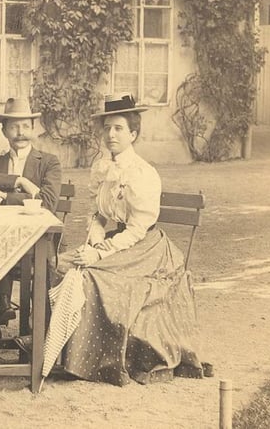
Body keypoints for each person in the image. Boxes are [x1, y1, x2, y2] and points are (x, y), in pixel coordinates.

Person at [50, 93, 206, 386]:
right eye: (107, 128)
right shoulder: (101, 167)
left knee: (92, 275)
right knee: (61, 263)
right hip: (115, 238)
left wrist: (99, 254)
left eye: (119, 128)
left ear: (133, 134)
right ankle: (55, 346)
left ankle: (91, 359)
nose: (111, 134)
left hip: (146, 246)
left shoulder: (143, 173)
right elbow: (96, 212)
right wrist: (95, 238)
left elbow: (136, 229)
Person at [0, 97, 62, 344]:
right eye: (14, 127)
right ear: (4, 131)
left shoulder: (49, 162)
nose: (20, 133)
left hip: (36, 244)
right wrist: (19, 182)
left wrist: (6, 197)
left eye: (25, 127)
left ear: (33, 129)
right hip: (0, 239)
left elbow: (47, 202)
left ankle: (33, 333)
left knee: (3, 253)